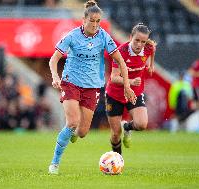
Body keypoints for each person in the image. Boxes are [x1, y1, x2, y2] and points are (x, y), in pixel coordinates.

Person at [48, 0, 136, 174]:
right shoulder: (72, 36)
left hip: (92, 87)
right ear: (84, 19)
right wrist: (56, 76)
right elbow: (54, 59)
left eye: (98, 21)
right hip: (71, 82)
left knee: (82, 132)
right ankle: (55, 163)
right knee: (72, 122)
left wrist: (127, 85)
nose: (95, 25)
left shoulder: (104, 36)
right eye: (92, 21)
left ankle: (72, 132)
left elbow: (120, 61)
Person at [105, 23, 156, 155]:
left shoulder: (148, 48)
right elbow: (114, 77)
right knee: (116, 134)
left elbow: (152, 49)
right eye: (137, 40)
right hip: (115, 95)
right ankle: (118, 160)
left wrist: (151, 65)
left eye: (143, 42)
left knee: (141, 124)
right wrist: (131, 81)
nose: (139, 44)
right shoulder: (120, 52)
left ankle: (127, 127)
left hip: (135, 93)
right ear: (130, 38)